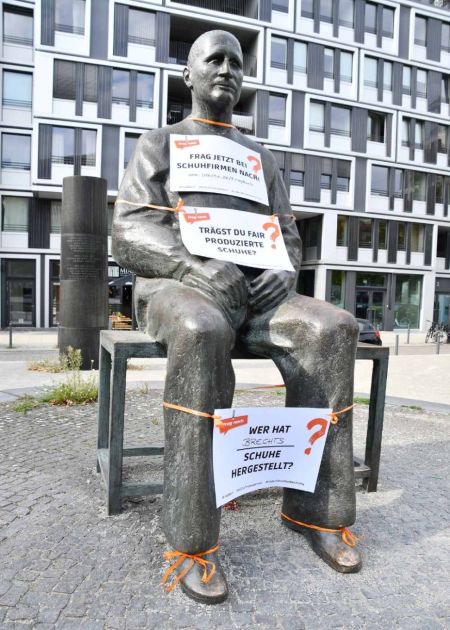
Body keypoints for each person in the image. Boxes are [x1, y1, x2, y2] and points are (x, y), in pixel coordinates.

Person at [112, 30, 361, 605]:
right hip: (180, 286)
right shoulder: (159, 144)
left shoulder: (260, 158)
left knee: (334, 330)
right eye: (213, 60)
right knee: (203, 331)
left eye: (235, 62)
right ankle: (191, 538)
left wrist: (284, 270)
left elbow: (289, 236)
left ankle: (318, 513)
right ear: (189, 76)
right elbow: (127, 230)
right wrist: (189, 264)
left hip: (260, 294)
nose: (226, 69)